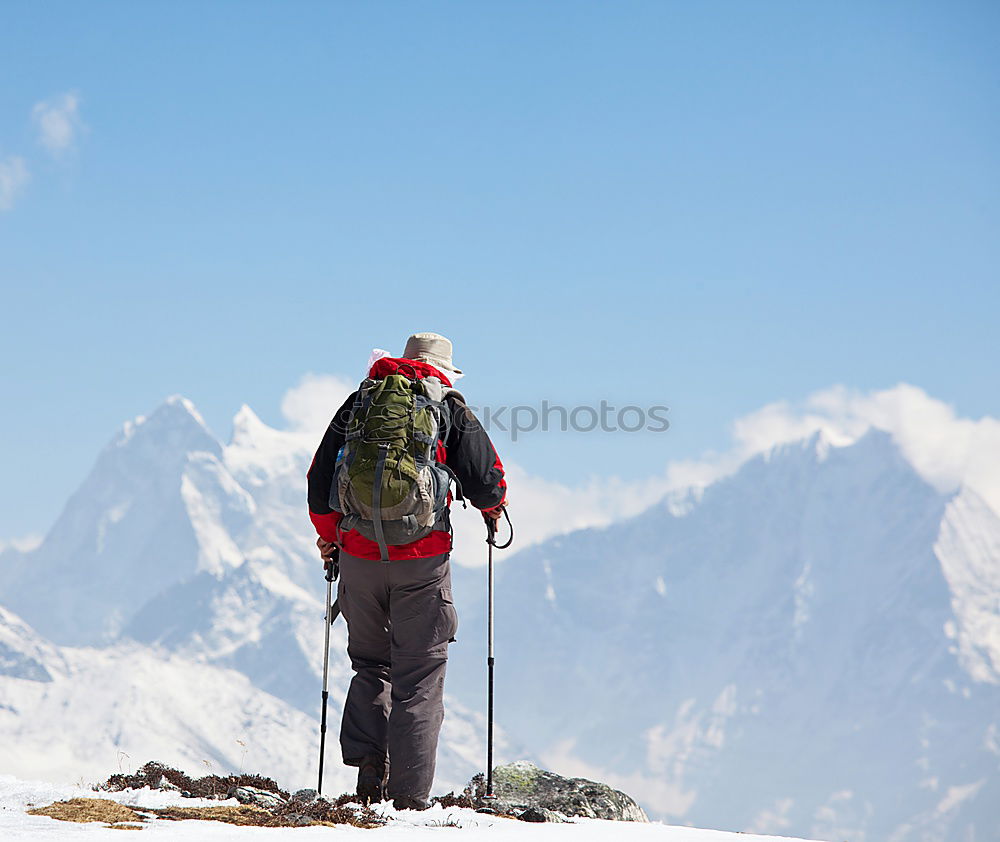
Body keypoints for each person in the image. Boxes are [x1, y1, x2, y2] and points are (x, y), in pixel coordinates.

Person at [307, 332, 507, 810]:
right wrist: (494, 510)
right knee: (419, 674)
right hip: (421, 562)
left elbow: (318, 483)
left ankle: (368, 779)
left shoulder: (360, 402)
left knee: (371, 665)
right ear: (443, 369)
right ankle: (410, 802)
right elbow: (487, 480)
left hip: (358, 557)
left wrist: (332, 537)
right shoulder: (449, 408)